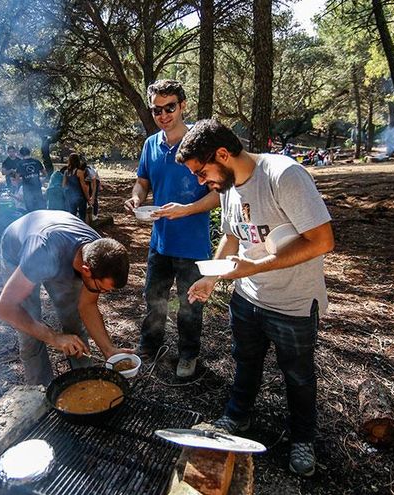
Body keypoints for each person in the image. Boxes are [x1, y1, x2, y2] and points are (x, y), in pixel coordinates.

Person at [176, 119, 335, 478]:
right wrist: (211, 278)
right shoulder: (230, 185)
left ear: (222, 154)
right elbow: (232, 237)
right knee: (245, 360)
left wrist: (254, 267)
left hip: (293, 303)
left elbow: (323, 241)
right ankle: (237, 415)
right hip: (247, 299)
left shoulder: (284, 175)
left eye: (202, 173)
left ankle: (302, 439)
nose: (202, 183)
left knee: (297, 375)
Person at [123, 79, 220, 379]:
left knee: (190, 306)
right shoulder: (150, 144)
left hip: (193, 243)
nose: (164, 115)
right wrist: (137, 198)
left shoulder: (200, 143)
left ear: (183, 106)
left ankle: (188, 354)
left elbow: (218, 193)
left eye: (170, 108)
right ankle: (149, 347)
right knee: (154, 299)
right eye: (157, 110)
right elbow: (143, 181)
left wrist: (186, 210)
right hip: (160, 242)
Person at [0, 210, 131, 386]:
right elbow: (5, 308)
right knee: (30, 330)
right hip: (20, 254)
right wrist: (54, 338)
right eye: (101, 289)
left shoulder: (99, 252)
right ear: (86, 270)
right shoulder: (40, 253)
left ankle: (85, 383)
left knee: (73, 321)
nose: (102, 294)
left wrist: (109, 350)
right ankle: (39, 392)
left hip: (61, 254)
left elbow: (87, 306)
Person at [16, 147, 45, 212]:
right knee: (40, 205)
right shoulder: (36, 161)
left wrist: (23, 178)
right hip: (37, 186)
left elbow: (17, 178)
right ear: (29, 152)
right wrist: (36, 176)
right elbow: (45, 174)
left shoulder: (20, 164)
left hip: (27, 188)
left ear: (21, 154)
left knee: (30, 207)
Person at [62, 153, 89, 220]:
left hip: (70, 196)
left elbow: (63, 185)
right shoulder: (79, 172)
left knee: (72, 216)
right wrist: (88, 197)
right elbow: (83, 186)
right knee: (82, 216)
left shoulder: (66, 172)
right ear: (78, 160)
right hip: (80, 196)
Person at [85, 158, 101, 223]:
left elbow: (93, 187)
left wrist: (93, 197)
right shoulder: (80, 172)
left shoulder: (91, 173)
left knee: (94, 199)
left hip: (95, 181)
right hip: (88, 181)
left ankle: (95, 214)